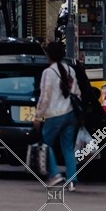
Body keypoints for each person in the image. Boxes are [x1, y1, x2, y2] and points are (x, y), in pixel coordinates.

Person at [35, 41, 81, 190]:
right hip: (70, 114)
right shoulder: (70, 70)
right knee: (68, 147)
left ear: (49, 55)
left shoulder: (48, 72)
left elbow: (45, 95)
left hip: (54, 115)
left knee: (45, 144)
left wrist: (38, 115)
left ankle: (54, 174)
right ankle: (72, 180)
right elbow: (77, 92)